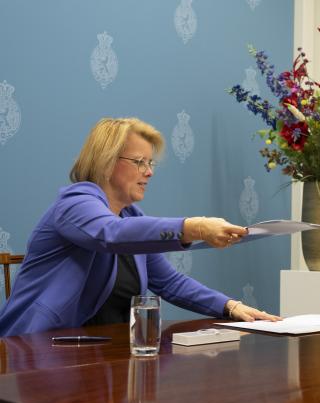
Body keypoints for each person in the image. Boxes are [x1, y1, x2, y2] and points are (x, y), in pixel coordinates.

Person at [0, 117, 280, 337]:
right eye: (140, 162)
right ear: (107, 162)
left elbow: (169, 282)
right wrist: (196, 227)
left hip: (104, 356)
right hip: (33, 351)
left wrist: (231, 307)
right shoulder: (75, 202)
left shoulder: (130, 216)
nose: (149, 172)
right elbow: (110, 235)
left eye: (151, 162)